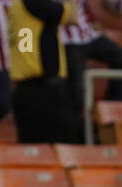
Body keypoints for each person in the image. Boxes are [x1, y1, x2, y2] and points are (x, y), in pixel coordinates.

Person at [9, 0, 78, 143]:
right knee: (62, 146)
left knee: (35, 150)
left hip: (27, 89)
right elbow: (73, 17)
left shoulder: (21, 7)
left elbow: (25, 41)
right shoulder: (35, 3)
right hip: (42, 93)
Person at [63, 0, 122, 113]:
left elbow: (85, 8)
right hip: (68, 40)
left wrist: (93, 21)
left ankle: (111, 106)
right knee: (77, 89)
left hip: (89, 35)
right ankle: (77, 125)